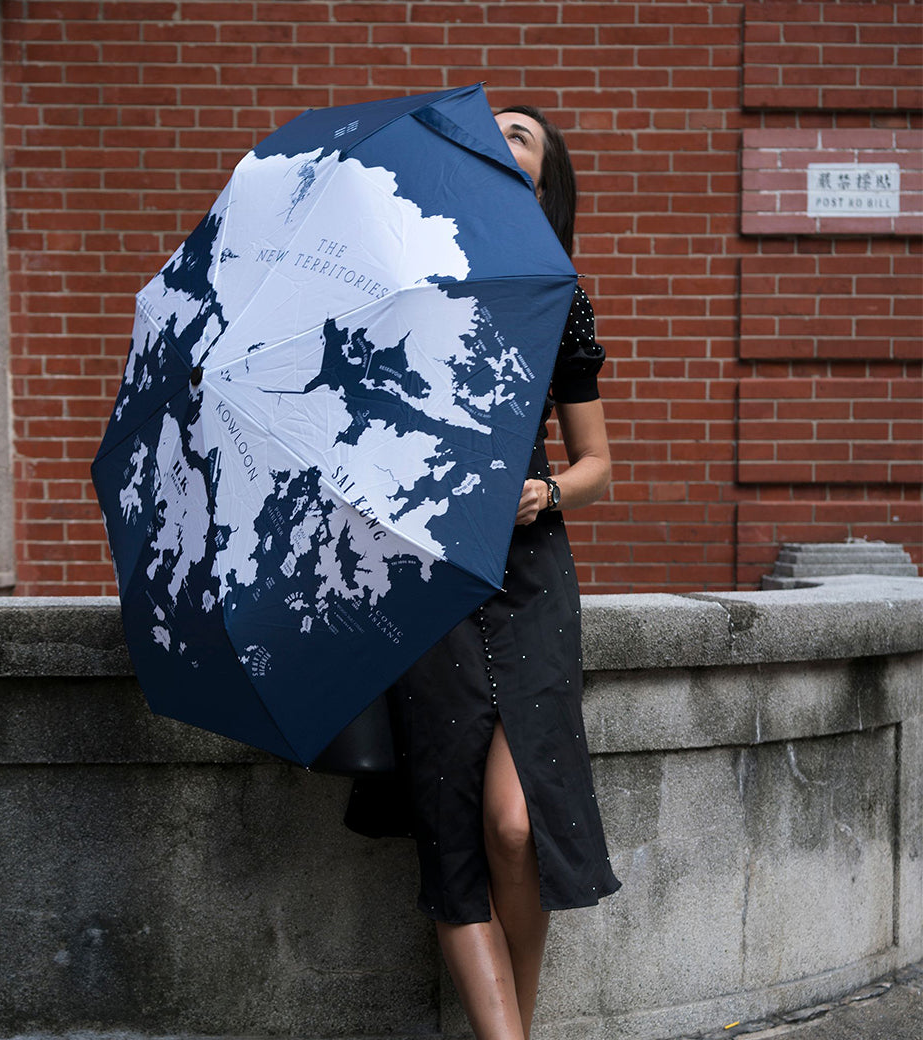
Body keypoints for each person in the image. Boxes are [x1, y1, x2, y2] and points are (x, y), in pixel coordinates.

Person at [346, 104, 620, 1040]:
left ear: (545, 183)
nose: (502, 135)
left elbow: (598, 465)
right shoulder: (404, 285)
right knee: (456, 830)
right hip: (425, 566)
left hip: (532, 570)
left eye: (524, 133)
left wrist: (545, 493)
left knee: (515, 823)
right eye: (492, 127)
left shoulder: (560, 295)